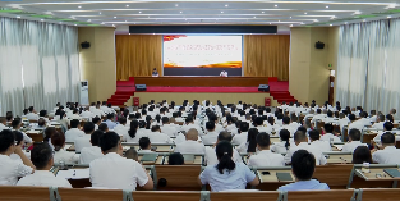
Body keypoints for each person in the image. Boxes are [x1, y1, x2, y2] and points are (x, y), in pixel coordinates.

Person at [89, 132, 153, 190]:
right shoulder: (133, 164)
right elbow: (149, 186)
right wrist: (142, 168)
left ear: (102, 150)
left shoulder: (93, 164)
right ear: (120, 145)